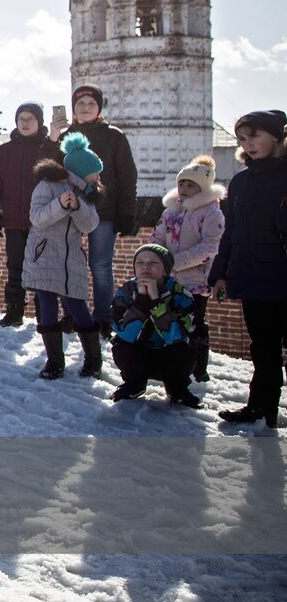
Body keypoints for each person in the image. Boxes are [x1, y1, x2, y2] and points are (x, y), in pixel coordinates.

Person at [210, 109, 287, 429]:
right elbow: (231, 232)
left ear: (276, 137)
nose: (249, 144)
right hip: (255, 278)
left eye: (255, 135)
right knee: (264, 348)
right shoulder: (241, 181)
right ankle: (261, 408)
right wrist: (220, 274)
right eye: (243, 138)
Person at [50, 84, 139, 335]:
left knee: (100, 265)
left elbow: (127, 176)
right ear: (73, 108)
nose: (85, 107)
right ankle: (71, 313)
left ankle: (103, 317)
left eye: (91, 103)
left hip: (105, 211)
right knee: (68, 263)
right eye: (80, 103)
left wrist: (127, 212)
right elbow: (48, 168)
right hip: (71, 211)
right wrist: (53, 137)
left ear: (99, 107)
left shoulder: (114, 136)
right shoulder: (65, 135)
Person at [24, 134, 104, 379]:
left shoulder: (87, 193)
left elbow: (90, 225)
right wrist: (60, 204)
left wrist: (77, 206)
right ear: (82, 170)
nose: (99, 177)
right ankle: (54, 361)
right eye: (95, 172)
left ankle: (93, 359)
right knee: (47, 303)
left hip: (71, 260)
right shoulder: (47, 185)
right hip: (45, 254)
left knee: (76, 304)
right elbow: (37, 218)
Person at [150, 155, 225, 383]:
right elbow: (158, 237)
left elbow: (209, 247)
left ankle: (199, 367)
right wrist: (157, 259)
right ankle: (173, 363)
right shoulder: (170, 212)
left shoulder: (211, 213)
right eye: (181, 183)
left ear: (202, 188)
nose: (183, 188)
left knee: (195, 323)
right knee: (169, 318)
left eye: (190, 184)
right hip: (170, 278)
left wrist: (174, 261)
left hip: (196, 280)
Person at [0, 102, 61, 327]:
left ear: (39, 122)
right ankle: (14, 311)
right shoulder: (3, 152)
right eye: (21, 119)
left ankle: (44, 314)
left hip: (42, 221)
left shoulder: (50, 148)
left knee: (42, 269)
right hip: (13, 219)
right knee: (15, 268)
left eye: (30, 119)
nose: (25, 123)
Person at [108, 244, 200, 406]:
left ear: (166, 270)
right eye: (140, 263)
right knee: (121, 345)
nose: (145, 267)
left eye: (153, 263)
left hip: (168, 355)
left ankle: (176, 388)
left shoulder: (181, 295)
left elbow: (175, 336)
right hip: (138, 354)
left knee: (184, 349)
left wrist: (156, 303)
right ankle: (134, 384)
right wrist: (142, 302)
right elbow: (123, 332)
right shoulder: (127, 291)